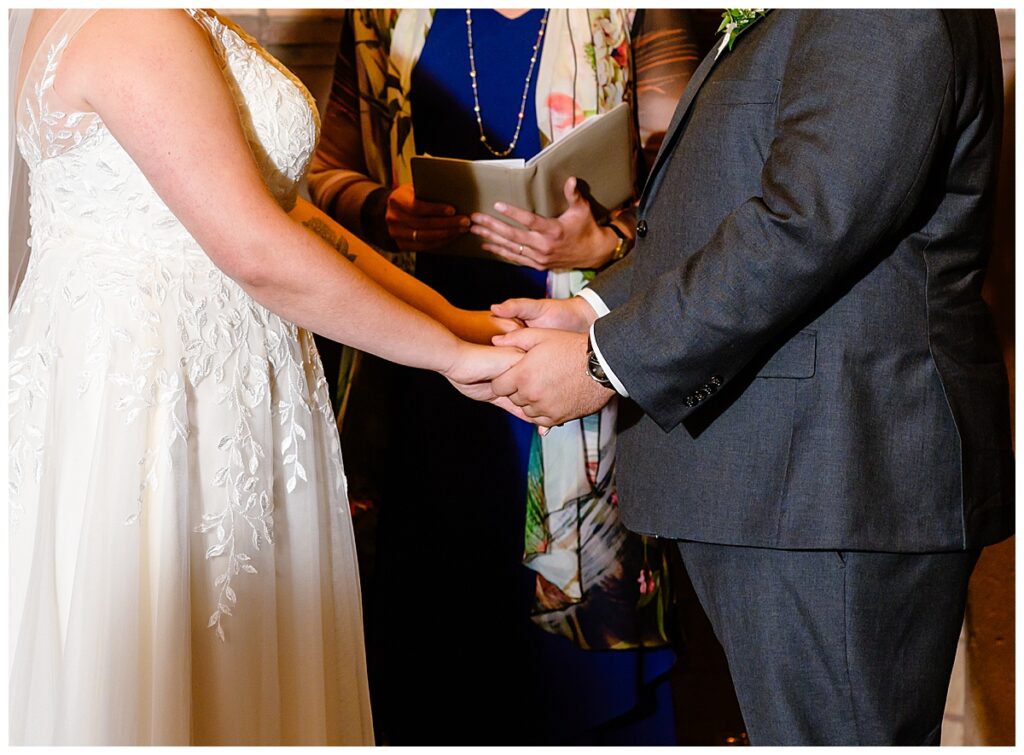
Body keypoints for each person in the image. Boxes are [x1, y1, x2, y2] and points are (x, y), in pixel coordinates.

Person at [487, 9, 1014, 746]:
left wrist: (607, 363)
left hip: (837, 473)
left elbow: (806, 222)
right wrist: (593, 307)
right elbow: (728, 209)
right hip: (786, 477)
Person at [8, 9, 521, 745]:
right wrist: (450, 358)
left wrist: (453, 321)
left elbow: (293, 217)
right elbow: (256, 247)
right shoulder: (131, 20)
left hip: (215, 387)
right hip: (163, 409)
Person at [307, 8, 711, 745]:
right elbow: (320, 171)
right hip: (422, 375)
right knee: (431, 649)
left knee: (570, 686)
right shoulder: (382, 12)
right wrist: (381, 207)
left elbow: (702, 175)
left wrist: (608, 237)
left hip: (578, 372)